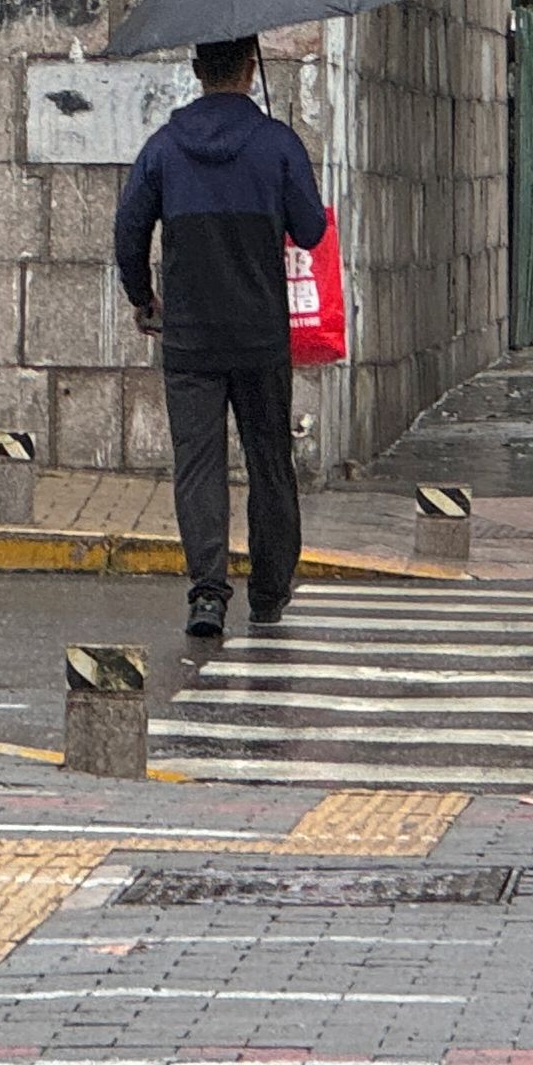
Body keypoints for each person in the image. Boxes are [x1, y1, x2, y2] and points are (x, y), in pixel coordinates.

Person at [113, 35, 327, 640]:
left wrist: (143, 299)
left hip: (190, 338)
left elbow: (129, 232)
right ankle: (268, 594)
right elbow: (311, 230)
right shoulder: (277, 144)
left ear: (196, 70)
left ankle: (207, 596)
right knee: (269, 462)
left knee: (199, 466)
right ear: (251, 70)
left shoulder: (164, 149)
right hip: (260, 335)